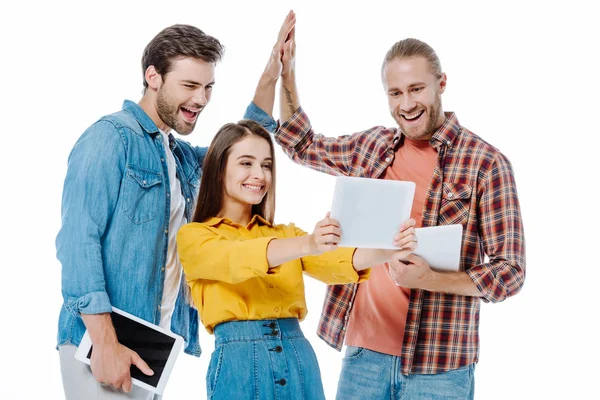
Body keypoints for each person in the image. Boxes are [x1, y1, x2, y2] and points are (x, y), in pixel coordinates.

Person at [272, 26, 526, 399]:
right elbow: (300, 143)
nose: (406, 104)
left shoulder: (486, 164)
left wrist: (432, 279)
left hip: (440, 368)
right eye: (395, 93)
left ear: (441, 83)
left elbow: (510, 271)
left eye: (416, 89)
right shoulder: (372, 145)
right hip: (363, 357)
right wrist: (287, 71)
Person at [55, 18, 287, 399]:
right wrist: (105, 344)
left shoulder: (177, 156)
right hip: (99, 341)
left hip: (153, 343)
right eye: (190, 85)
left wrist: (270, 76)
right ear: (153, 77)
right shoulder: (111, 138)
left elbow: (239, 145)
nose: (201, 99)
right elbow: (78, 243)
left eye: (209, 87)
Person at [176, 116, 418, 400]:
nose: (260, 175)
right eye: (246, 163)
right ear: (219, 169)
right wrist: (309, 243)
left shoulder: (287, 235)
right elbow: (237, 258)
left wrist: (390, 248)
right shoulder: (194, 237)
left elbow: (337, 261)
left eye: (266, 165)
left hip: (298, 357)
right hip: (239, 363)